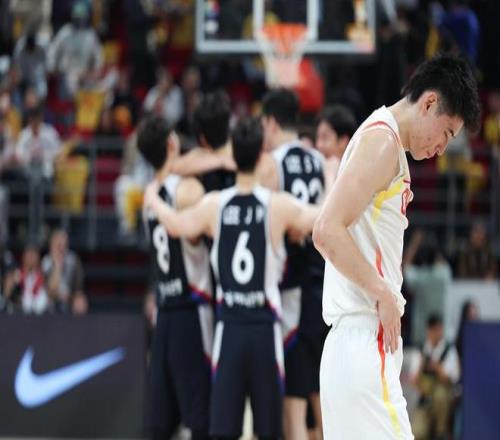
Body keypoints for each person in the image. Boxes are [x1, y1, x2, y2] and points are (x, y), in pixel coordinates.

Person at [313, 53, 480, 439]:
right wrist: (382, 293)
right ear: (430, 103)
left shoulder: (381, 139)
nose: (442, 148)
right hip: (363, 341)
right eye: (447, 133)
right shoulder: (383, 142)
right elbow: (326, 230)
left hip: (350, 347)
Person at [144, 117, 319, 440]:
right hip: (265, 329)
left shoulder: (214, 205)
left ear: (233, 155)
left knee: (223, 432)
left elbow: (175, 226)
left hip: (230, 331)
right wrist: (332, 175)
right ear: (262, 154)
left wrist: (153, 198)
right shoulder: (277, 206)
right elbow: (320, 216)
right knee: (270, 432)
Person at [137, 116, 213, 440]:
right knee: (201, 420)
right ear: (171, 143)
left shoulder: (148, 197)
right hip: (192, 309)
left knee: (160, 421)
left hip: (164, 311)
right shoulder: (188, 190)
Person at [259, 88, 326, 440]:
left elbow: (268, 226)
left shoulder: (271, 164)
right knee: (321, 398)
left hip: (291, 290)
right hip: (322, 283)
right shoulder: (317, 159)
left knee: (295, 403)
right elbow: (327, 215)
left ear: (270, 122)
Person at [410, 315, 460, 440]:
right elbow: (414, 381)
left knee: (440, 395)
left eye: (438, 329)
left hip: (443, 399)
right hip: (425, 399)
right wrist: (421, 367)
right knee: (417, 432)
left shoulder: (449, 350)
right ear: (428, 331)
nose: (437, 333)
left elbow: (453, 378)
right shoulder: (421, 350)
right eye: (433, 330)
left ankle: (441, 432)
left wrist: (437, 367)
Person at [402, 228, 452, 345]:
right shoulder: (444, 273)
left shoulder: (419, 277)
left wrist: (415, 243)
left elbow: (404, 268)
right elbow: (440, 261)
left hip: (421, 335)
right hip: (442, 335)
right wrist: (435, 249)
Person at [41, 229, 88, 315]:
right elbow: (50, 290)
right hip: (51, 298)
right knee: (47, 301)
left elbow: (78, 287)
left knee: (80, 302)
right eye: (58, 245)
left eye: (64, 245)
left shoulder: (73, 260)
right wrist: (57, 265)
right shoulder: (46, 262)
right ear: (52, 246)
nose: (61, 248)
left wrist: (72, 297)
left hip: (70, 297)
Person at [316, 104, 357, 188]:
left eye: (325, 137)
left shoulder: (358, 178)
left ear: (343, 141)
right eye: (317, 137)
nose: (318, 145)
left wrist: (330, 177)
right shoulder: (315, 172)